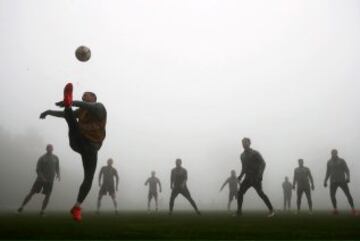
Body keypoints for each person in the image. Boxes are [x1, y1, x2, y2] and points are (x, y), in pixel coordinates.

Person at [39, 83, 107, 221]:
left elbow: (89, 106)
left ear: (93, 97)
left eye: (86, 95)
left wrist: (72, 102)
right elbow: (62, 114)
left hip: (91, 147)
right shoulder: (81, 110)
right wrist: (48, 112)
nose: (83, 96)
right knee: (70, 119)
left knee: (88, 177)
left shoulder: (99, 107)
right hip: (78, 141)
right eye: (82, 96)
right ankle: (68, 103)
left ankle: (76, 207)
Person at [17, 144, 60, 216]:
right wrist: (42, 177)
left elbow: (57, 168)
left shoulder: (56, 158)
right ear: (46, 149)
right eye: (48, 148)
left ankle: (42, 211)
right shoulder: (42, 158)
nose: (50, 149)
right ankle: (21, 207)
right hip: (40, 180)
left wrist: (58, 174)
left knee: (48, 195)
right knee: (32, 193)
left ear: (53, 149)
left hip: (50, 181)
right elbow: (38, 169)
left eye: (51, 148)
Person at [237, 138, 275, 217]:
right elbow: (244, 168)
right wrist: (240, 176)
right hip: (247, 178)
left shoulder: (255, 153)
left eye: (245, 142)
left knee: (260, 193)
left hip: (256, 177)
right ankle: (239, 212)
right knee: (240, 193)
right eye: (243, 143)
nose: (244, 144)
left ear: (249, 143)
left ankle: (271, 210)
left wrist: (260, 174)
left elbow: (263, 163)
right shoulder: (242, 155)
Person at [324, 149, 357, 215]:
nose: (334, 154)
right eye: (332, 153)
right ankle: (335, 210)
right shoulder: (329, 162)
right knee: (332, 195)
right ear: (331, 154)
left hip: (342, 180)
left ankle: (353, 209)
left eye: (335, 153)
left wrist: (348, 177)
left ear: (337, 153)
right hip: (333, 181)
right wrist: (325, 181)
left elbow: (347, 170)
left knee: (348, 194)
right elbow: (328, 172)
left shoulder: (341, 161)